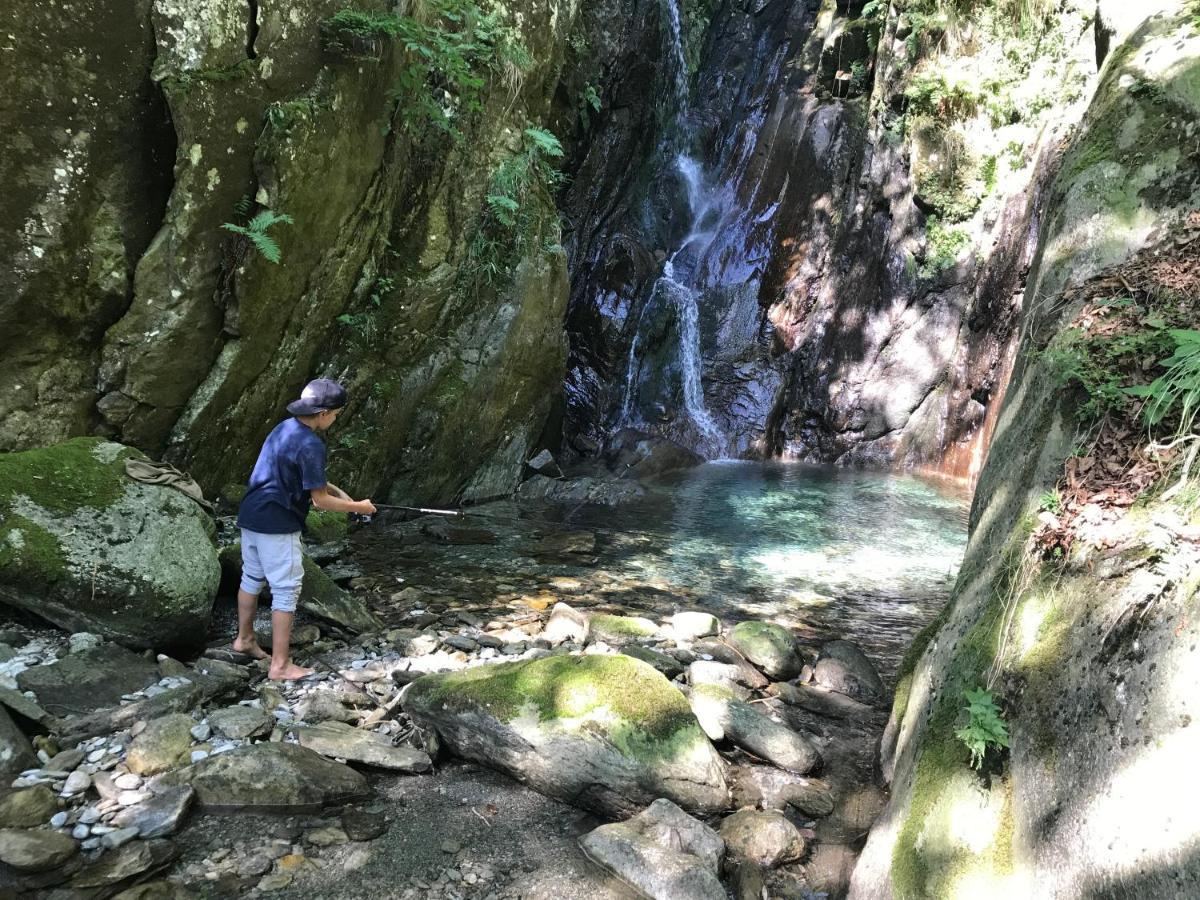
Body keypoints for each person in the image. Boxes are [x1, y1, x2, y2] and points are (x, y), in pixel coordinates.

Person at [234, 378, 376, 679]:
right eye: (335, 414)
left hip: (251, 514)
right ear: (323, 413)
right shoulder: (312, 444)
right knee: (286, 591)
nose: (335, 419)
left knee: (252, 576)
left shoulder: (284, 428)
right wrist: (359, 507)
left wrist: (336, 491)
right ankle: (281, 665)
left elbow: (303, 477)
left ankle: (244, 640)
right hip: (278, 523)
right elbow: (320, 501)